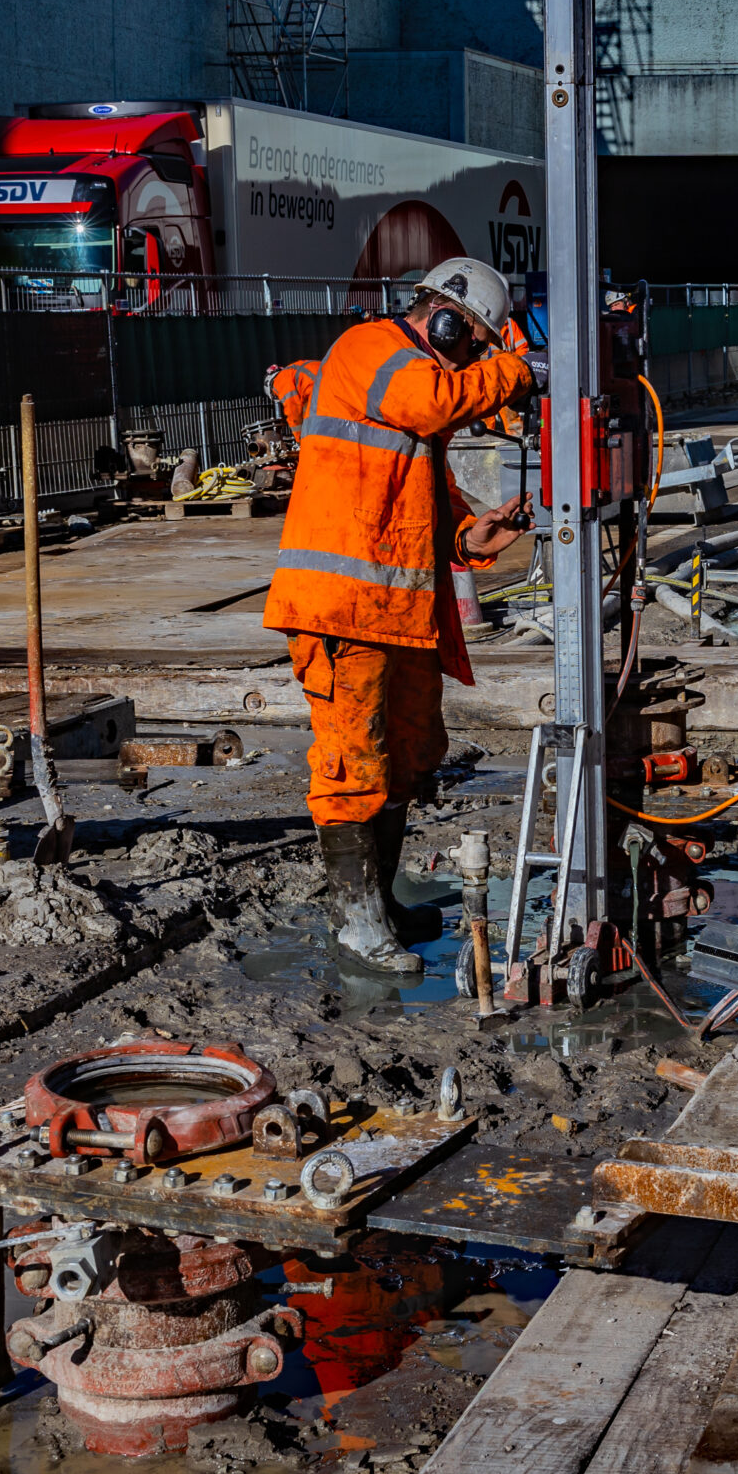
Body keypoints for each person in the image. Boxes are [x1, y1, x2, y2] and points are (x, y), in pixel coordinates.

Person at [263, 257, 538, 971]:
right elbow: (431, 402)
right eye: (474, 342)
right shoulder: (371, 351)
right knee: (352, 764)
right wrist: (516, 370)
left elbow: (421, 484)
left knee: (409, 755)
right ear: (445, 319)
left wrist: (466, 535)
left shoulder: (414, 380)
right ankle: (356, 929)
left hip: (398, 608)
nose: (475, 357)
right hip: (343, 608)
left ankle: (378, 905)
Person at [266, 358, 323, 434]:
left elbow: (293, 410)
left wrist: (300, 439)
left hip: (321, 395)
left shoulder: (279, 380)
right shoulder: (294, 369)